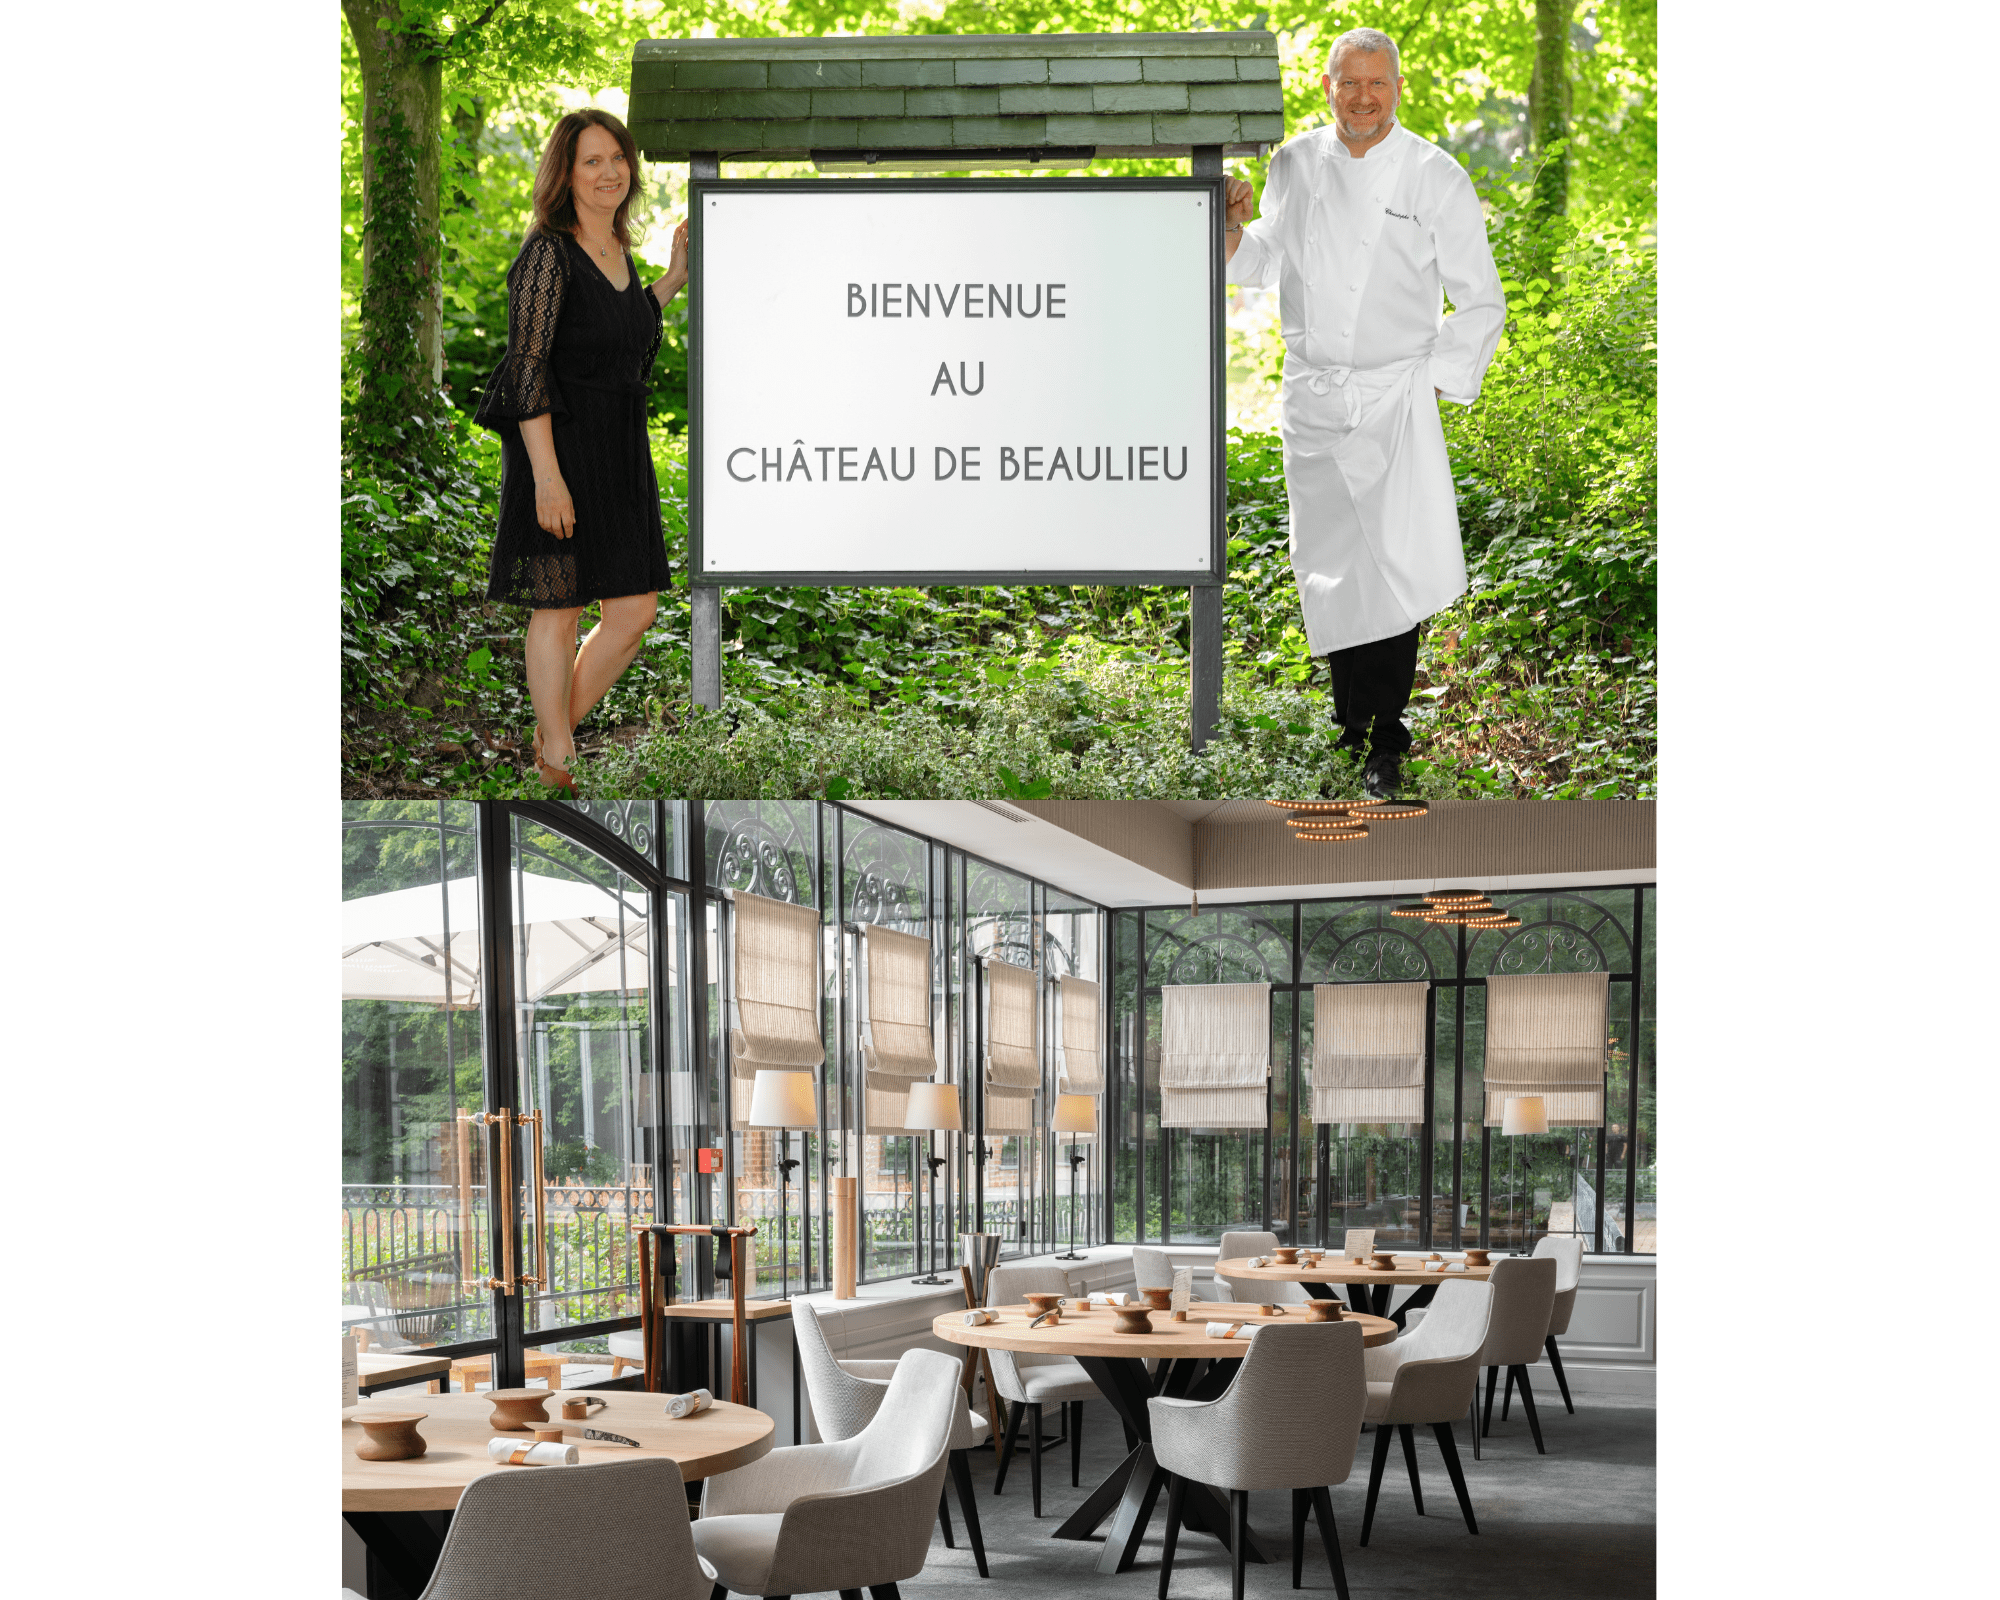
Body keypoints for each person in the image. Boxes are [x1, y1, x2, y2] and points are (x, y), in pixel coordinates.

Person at [1224, 27, 1505, 798]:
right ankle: (1348, 725)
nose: (1363, 96)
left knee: (1391, 567)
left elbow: (1481, 300)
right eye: (1350, 82)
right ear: (1327, 86)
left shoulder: (1432, 176)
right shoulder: (1293, 166)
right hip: (1312, 395)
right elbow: (1262, 262)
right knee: (1332, 567)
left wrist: (1434, 383)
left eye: (1377, 83)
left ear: (1398, 89)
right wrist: (1228, 230)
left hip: (1393, 396)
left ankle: (1385, 738)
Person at [475, 108, 690, 790]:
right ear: (565, 173)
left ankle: (549, 736)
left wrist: (675, 279)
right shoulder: (548, 252)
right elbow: (528, 367)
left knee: (634, 610)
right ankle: (560, 763)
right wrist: (546, 477)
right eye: (591, 161)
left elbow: (621, 331)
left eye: (617, 159)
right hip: (559, 449)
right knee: (559, 606)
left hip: (620, 452)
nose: (608, 172)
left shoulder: (620, 253)